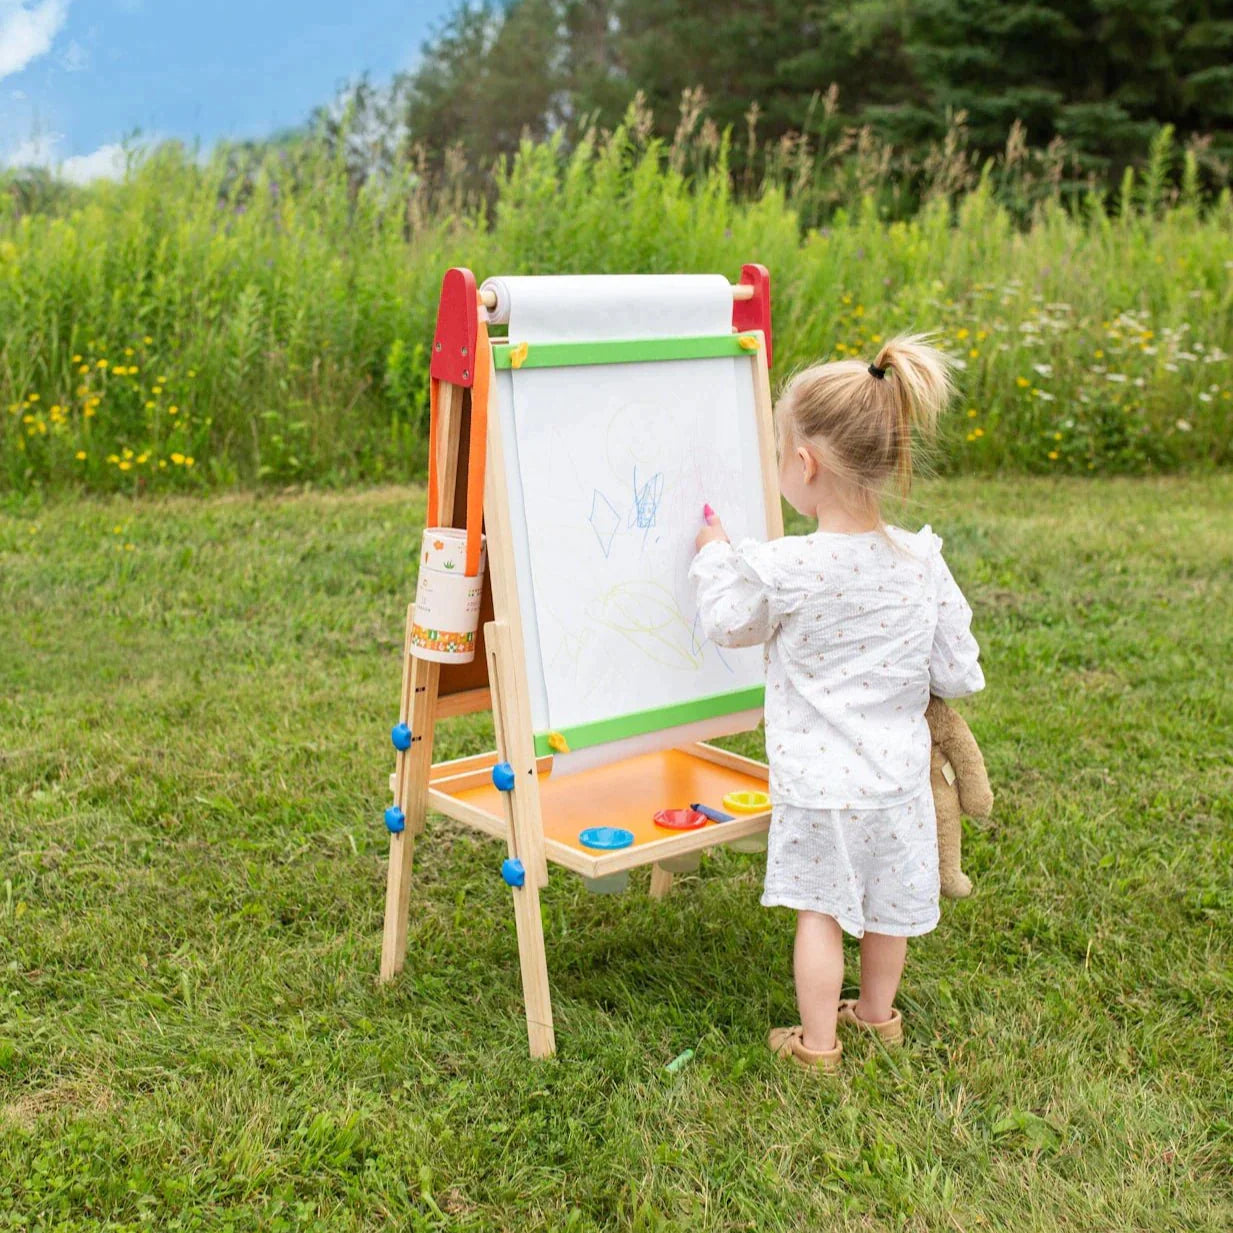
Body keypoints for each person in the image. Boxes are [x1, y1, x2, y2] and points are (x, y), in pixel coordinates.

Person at [689, 335, 984, 1072]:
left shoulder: (788, 566)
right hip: (896, 780)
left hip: (817, 787)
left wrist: (712, 552)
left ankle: (816, 1044)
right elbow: (959, 668)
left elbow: (729, 622)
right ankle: (878, 1016)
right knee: (889, 907)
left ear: (805, 464)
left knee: (818, 910)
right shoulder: (921, 560)